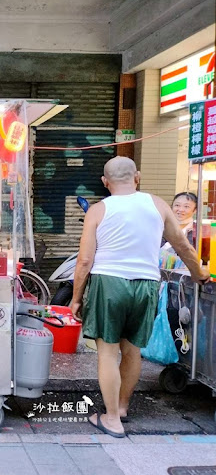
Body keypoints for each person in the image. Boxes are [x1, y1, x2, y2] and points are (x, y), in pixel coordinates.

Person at [70, 156, 209, 439]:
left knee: (108, 351)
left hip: (108, 283)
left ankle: (111, 419)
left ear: (105, 182)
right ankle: (121, 407)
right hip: (146, 284)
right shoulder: (157, 204)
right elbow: (181, 244)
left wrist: (76, 298)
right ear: (138, 177)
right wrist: (198, 273)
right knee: (132, 350)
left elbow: (84, 260)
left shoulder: (98, 210)